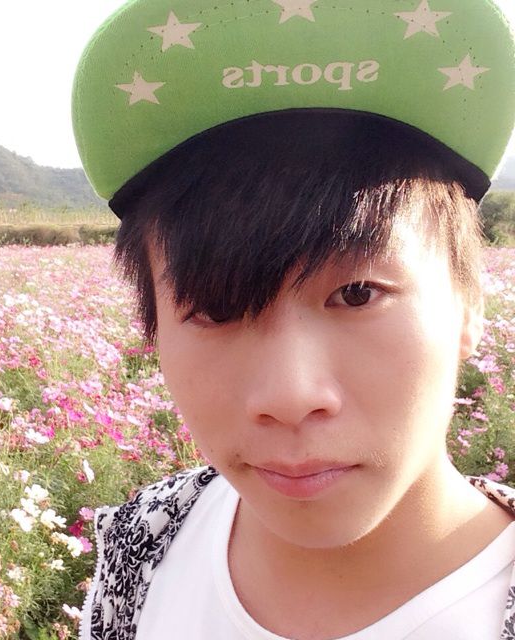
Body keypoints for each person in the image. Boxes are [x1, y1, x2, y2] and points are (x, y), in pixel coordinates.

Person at [71, 1, 515, 638]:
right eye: (214, 308)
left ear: (468, 302)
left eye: (358, 294)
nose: (290, 397)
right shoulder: (145, 544)